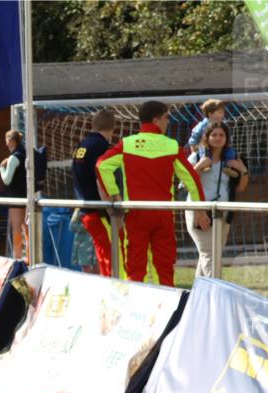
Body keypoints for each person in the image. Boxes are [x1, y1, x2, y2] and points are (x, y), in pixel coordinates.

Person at [96, 100, 207, 287]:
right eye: (166, 117)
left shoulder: (127, 143)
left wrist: (114, 195)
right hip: (163, 213)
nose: (168, 122)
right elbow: (192, 179)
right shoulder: (171, 145)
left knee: (135, 268)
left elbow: (102, 165)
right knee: (164, 268)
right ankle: (166, 304)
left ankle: (134, 302)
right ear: (156, 120)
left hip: (135, 213)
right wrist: (200, 209)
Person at [185, 121, 249, 277]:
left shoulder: (233, 159)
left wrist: (243, 171)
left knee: (211, 254)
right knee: (210, 255)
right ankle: (215, 290)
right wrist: (200, 166)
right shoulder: (196, 157)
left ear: (227, 139)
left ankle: (199, 291)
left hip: (223, 213)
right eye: (214, 135)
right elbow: (186, 183)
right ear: (207, 137)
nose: (218, 138)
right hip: (199, 212)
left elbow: (240, 188)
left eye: (222, 135)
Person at [72, 110, 123, 277]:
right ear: (113, 127)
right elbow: (101, 178)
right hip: (99, 209)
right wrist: (111, 208)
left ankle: (107, 283)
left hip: (86, 208)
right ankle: (113, 285)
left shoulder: (82, 144)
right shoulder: (100, 146)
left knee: (102, 252)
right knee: (111, 252)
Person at [0, 130, 27, 260]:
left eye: (6, 141)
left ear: (11, 141)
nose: (5, 144)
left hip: (16, 196)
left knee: (16, 229)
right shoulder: (25, 153)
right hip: (26, 195)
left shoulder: (14, 157)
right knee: (26, 227)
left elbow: (6, 179)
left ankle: (17, 258)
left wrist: (1, 167)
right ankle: (29, 256)